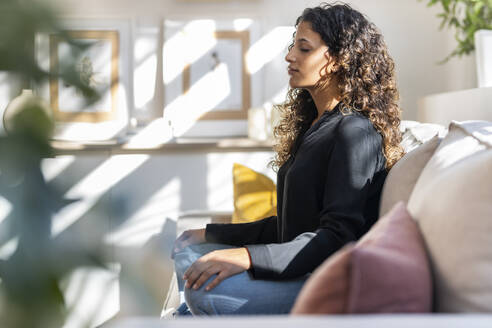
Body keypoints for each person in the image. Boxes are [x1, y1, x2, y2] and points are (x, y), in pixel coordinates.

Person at [171, 2, 404, 315]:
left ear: (337, 60)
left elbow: (337, 238)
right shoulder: (316, 126)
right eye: (293, 45)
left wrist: (247, 257)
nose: (290, 56)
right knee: (188, 252)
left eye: (304, 48)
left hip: (321, 279)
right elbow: (289, 227)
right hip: (297, 264)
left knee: (201, 295)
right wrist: (212, 233)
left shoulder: (354, 131)